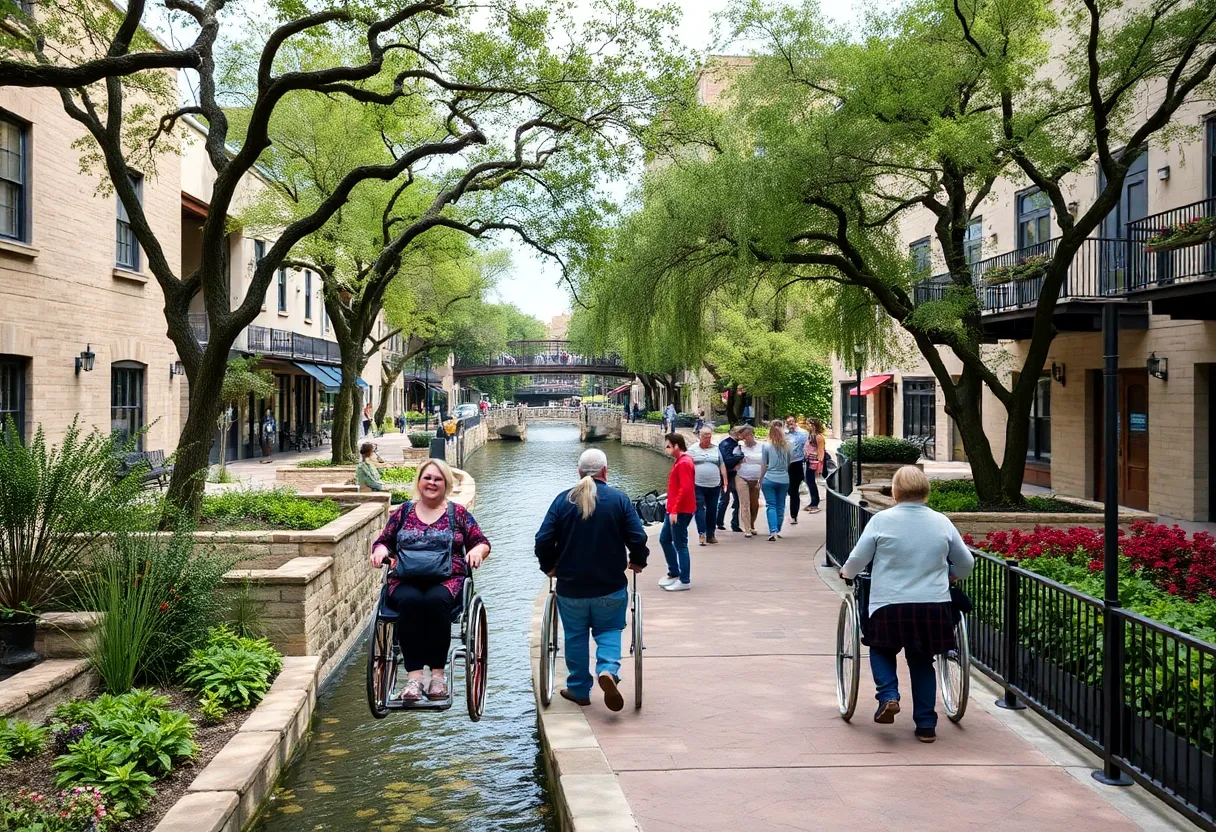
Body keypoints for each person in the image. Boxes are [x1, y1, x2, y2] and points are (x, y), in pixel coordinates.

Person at [840, 466, 975, 743]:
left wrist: (847, 573)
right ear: (925, 489)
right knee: (923, 662)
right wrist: (953, 575)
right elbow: (965, 562)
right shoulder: (941, 521)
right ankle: (926, 725)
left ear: (896, 490)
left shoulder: (882, 520)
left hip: (890, 603)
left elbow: (858, 559)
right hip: (932, 605)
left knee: (880, 649)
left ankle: (889, 695)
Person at [534, 449, 649, 711]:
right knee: (609, 630)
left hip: (571, 587)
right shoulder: (619, 499)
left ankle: (578, 690)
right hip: (609, 585)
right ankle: (607, 669)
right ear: (605, 471)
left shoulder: (563, 501)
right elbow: (638, 537)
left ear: (579, 471)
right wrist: (638, 561)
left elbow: (543, 540)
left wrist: (549, 567)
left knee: (575, 635)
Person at [370, 459, 491, 702]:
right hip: (406, 578)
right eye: (427, 478)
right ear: (419, 482)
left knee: (436, 602)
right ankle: (415, 678)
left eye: (438, 479)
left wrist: (477, 552)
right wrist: (381, 550)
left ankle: (437, 675)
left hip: (447, 579)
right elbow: (383, 540)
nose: (432, 483)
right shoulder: (403, 512)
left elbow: (481, 541)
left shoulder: (458, 514)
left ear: (446, 483)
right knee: (410, 602)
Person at [658, 433, 695, 591]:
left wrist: (675, 510)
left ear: (676, 446)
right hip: (674, 508)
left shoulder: (684, 463)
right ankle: (674, 572)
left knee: (680, 544)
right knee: (664, 539)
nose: (665, 449)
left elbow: (686, 489)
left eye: (668, 446)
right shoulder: (681, 461)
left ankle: (685, 580)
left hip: (680, 510)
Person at [687, 427, 727, 546]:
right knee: (699, 509)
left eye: (709, 435)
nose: (708, 438)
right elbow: (686, 465)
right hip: (697, 484)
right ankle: (702, 533)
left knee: (712, 509)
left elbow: (722, 464)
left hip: (714, 484)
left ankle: (711, 534)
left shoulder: (716, 449)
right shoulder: (693, 449)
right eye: (705, 435)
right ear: (700, 436)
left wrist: (725, 481)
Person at [759, 420, 791, 541]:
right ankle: (778, 528)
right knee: (781, 505)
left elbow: (764, 464)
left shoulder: (766, 446)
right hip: (783, 478)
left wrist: (760, 479)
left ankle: (773, 531)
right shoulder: (788, 446)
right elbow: (788, 463)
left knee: (771, 505)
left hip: (770, 477)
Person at [735, 425, 763, 538]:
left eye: (749, 435)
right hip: (742, 476)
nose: (747, 438)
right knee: (744, 503)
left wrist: (748, 459)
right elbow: (737, 460)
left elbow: (764, 460)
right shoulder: (739, 447)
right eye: (745, 436)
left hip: (756, 478)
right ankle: (747, 528)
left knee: (754, 504)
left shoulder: (762, 446)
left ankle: (752, 524)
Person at [716, 425, 744, 533]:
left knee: (736, 499)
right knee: (725, 499)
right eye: (739, 433)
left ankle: (734, 523)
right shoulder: (725, 444)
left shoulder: (735, 444)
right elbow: (727, 460)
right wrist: (741, 457)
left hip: (733, 474)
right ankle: (719, 522)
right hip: (726, 475)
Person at [784, 416, 809, 524]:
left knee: (793, 491)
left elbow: (807, 448)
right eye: (788, 422)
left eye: (792, 422)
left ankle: (794, 515)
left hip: (796, 464)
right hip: (784, 465)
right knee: (787, 490)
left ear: (795, 422)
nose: (790, 424)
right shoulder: (783, 434)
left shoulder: (803, 434)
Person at [805, 418, 827, 513]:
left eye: (809, 424)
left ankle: (815, 503)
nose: (808, 426)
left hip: (814, 462)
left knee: (811, 482)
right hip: (809, 461)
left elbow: (821, 451)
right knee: (809, 481)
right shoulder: (811, 436)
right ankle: (813, 502)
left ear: (814, 425)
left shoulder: (818, 437)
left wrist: (819, 465)